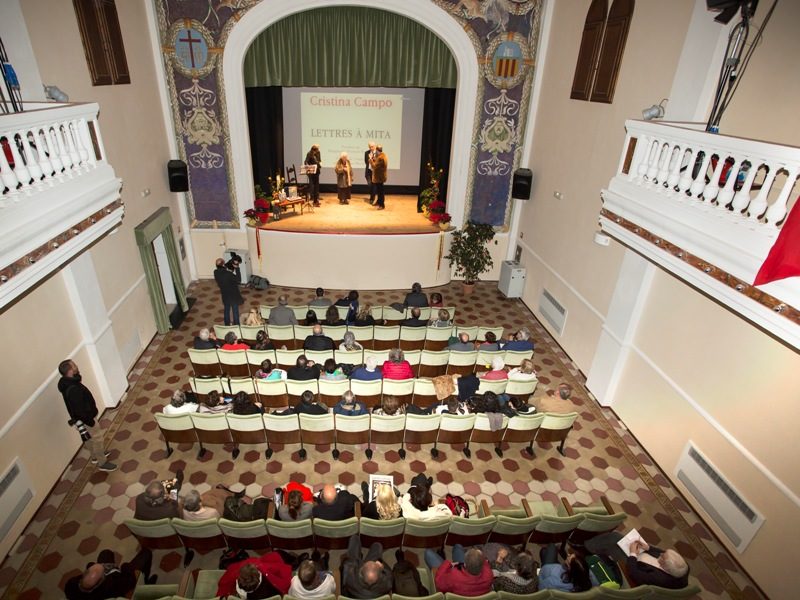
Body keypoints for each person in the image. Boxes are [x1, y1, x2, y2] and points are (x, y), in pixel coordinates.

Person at [57, 360, 117, 472]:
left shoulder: (67, 383)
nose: (77, 366)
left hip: (82, 419)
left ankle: (94, 456)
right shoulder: (73, 388)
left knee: (88, 438)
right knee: (97, 438)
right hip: (86, 419)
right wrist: (91, 421)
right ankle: (102, 462)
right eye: (74, 365)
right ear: (70, 371)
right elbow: (79, 410)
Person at [64, 548, 156, 599]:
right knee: (146, 553)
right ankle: (145, 581)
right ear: (101, 580)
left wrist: (94, 567)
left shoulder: (71, 585)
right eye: (104, 569)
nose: (104, 566)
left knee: (105, 553)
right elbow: (131, 581)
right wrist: (125, 566)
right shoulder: (113, 586)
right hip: (123, 580)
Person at [216, 553, 292, 599]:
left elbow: (223, 584)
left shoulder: (237, 588)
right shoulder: (269, 583)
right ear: (258, 575)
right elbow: (283, 573)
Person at [425, 545, 493, 596]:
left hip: (455, 580)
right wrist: (479, 554)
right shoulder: (489, 574)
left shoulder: (454, 576)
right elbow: (485, 563)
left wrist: (447, 564)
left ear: (465, 564)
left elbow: (439, 583)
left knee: (428, 553)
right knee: (458, 546)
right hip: (471, 591)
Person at [341, 534, 393, 599]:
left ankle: (359, 555)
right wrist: (382, 566)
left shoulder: (349, 578)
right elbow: (389, 573)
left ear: (361, 569)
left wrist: (353, 562)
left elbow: (347, 563)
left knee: (354, 539)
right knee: (377, 546)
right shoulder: (387, 584)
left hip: (353, 594)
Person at [214, 257, 243, 326]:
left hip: (225, 295)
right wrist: (237, 268)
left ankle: (226, 324)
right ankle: (237, 325)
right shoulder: (228, 274)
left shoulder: (216, 272)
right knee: (235, 311)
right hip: (233, 295)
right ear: (223, 265)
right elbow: (239, 280)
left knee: (226, 310)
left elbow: (223, 270)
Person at [371, 145, 388, 210]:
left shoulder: (381, 158)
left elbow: (374, 166)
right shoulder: (383, 155)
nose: (375, 152)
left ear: (378, 150)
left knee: (380, 192)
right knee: (379, 190)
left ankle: (382, 205)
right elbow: (378, 163)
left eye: (376, 150)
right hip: (380, 177)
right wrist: (374, 159)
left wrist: (370, 160)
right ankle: (378, 202)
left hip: (380, 177)